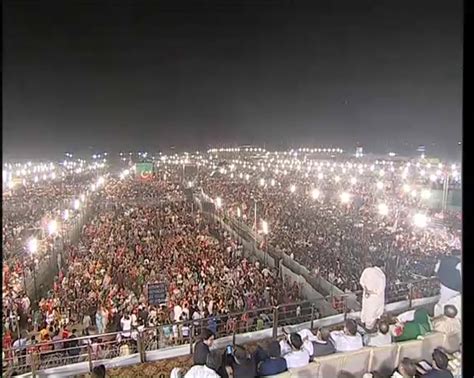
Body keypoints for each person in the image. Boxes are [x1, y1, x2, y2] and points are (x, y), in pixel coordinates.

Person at [360, 259, 386, 330]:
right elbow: (380, 290)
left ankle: (364, 326)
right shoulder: (382, 275)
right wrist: (371, 292)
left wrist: (366, 290)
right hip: (375, 299)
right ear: (382, 266)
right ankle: (369, 331)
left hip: (366, 296)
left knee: (365, 311)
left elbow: (362, 282)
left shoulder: (367, 270)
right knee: (372, 316)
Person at [434, 250, 461, 319]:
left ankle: (438, 318)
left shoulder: (443, 260)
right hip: (455, 288)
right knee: (455, 304)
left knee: (442, 302)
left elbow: (436, 270)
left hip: (443, 285)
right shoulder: (459, 263)